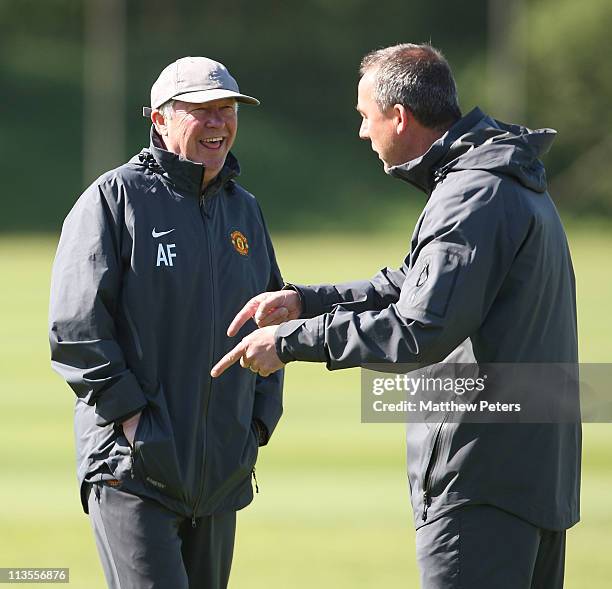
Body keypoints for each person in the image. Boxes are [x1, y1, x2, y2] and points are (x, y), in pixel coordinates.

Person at [211, 44, 580, 588]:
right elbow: (417, 285)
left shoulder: (471, 194)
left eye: (365, 116)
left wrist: (291, 342)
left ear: (399, 117)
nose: (362, 132)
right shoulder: (499, 177)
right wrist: (306, 300)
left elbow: (417, 330)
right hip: (532, 475)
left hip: (480, 481)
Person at [49, 56, 284, 589]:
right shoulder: (114, 200)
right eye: (200, 110)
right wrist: (136, 426)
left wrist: (256, 426)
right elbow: (76, 329)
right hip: (133, 470)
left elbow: (270, 319)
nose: (218, 122)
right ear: (159, 119)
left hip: (221, 475)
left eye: (226, 109)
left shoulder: (245, 210)